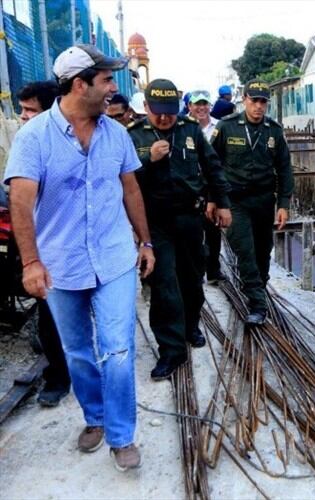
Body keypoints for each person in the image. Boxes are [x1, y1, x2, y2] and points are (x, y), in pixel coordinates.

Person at [4, 44, 154, 471]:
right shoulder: (34, 138)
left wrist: (145, 243)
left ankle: (122, 436)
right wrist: (31, 263)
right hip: (61, 264)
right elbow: (20, 199)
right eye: (106, 80)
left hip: (113, 260)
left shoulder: (117, 134)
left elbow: (130, 190)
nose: (113, 88)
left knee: (119, 350)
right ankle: (96, 418)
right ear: (78, 84)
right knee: (78, 352)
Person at [129, 79, 231, 380]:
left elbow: (212, 167)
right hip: (155, 222)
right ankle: (171, 351)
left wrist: (221, 202)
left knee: (191, 278)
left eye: (169, 112)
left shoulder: (189, 130)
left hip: (190, 217)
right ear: (146, 107)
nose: (164, 118)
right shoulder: (133, 136)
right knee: (163, 285)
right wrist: (149, 159)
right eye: (157, 111)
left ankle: (190, 326)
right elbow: (122, 178)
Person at [212, 80, 293, 325]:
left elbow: (284, 168)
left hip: (263, 200)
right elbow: (212, 165)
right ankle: (258, 305)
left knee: (262, 250)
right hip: (236, 201)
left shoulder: (273, 131)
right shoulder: (227, 127)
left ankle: (258, 285)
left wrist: (284, 204)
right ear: (244, 99)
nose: (258, 106)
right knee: (245, 251)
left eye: (263, 102)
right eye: (253, 100)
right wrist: (214, 200)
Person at [14, 80, 70, 407]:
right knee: (49, 315)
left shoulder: (72, 144)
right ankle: (58, 378)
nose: (22, 117)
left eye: (29, 111)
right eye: (21, 110)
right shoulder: (25, 144)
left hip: (74, 246)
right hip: (44, 247)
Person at [187, 90, 224, 283]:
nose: (201, 108)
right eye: (197, 104)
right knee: (193, 229)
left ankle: (213, 270)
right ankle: (196, 270)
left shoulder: (219, 126)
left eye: (204, 104)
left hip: (211, 183)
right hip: (190, 185)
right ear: (189, 107)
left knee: (213, 228)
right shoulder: (182, 127)